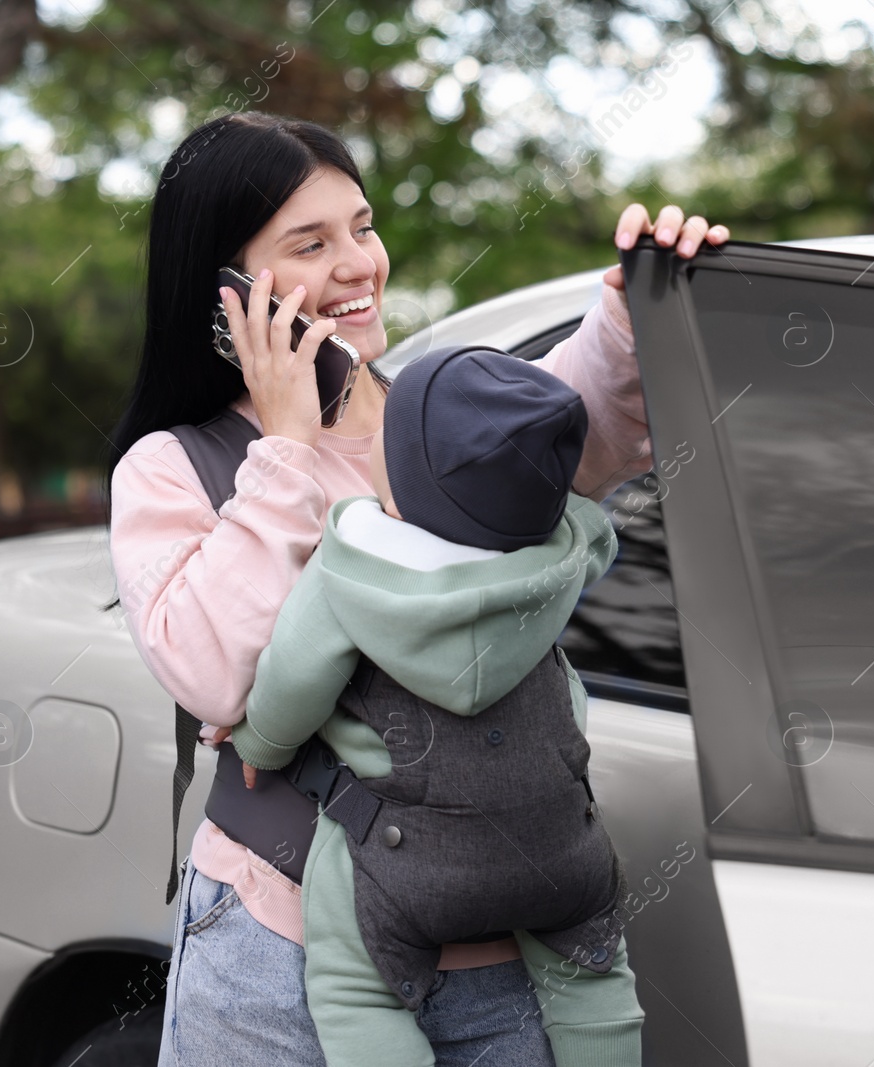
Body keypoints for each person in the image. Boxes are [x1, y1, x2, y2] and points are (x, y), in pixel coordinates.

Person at [105, 109, 729, 1066]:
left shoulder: (426, 411)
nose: (358, 263)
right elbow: (217, 678)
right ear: (228, 289)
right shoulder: (174, 466)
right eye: (309, 243)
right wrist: (285, 450)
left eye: (362, 226)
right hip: (281, 956)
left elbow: (567, 432)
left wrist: (629, 312)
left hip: (506, 962)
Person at [229, 347, 645, 1067]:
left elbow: (293, 677)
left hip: (407, 858)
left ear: (405, 483)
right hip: (556, 841)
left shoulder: (355, 563)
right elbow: (595, 530)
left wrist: (260, 743)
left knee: (356, 987)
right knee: (594, 978)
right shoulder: (562, 551)